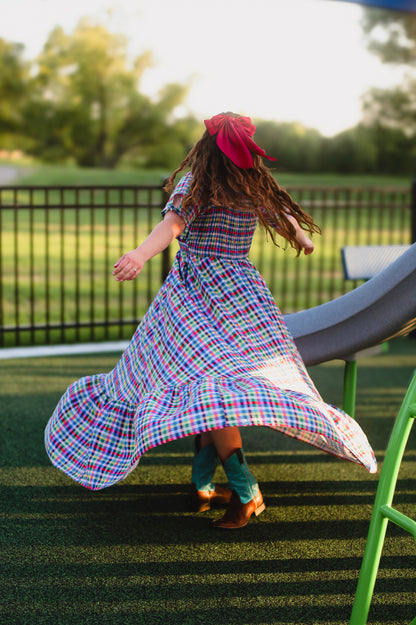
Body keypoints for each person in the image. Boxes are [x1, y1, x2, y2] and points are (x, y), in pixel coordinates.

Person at [45, 112, 377, 530]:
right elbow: (175, 225)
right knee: (209, 390)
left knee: (214, 391)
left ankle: (245, 491)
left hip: (211, 296)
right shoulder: (218, 187)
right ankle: (202, 485)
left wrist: (300, 235)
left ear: (204, 149)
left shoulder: (225, 187)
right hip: (219, 296)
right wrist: (140, 254)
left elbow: (257, 218)